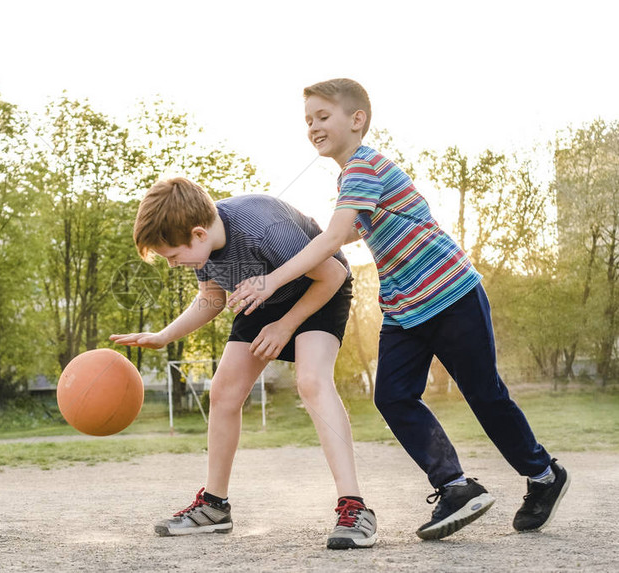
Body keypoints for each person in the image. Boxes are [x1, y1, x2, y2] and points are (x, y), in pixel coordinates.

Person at [227, 78, 569, 540]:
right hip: (404, 308)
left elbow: (333, 239)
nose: (313, 127)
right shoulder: (351, 178)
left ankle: (544, 475)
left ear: (357, 119)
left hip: (449, 292)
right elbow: (347, 232)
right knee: (392, 395)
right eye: (308, 120)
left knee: (483, 392)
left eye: (322, 117)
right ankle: (455, 486)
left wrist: (271, 279)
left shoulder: (363, 166)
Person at [110, 177, 377, 549]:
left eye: (173, 256)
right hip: (261, 296)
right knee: (223, 393)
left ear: (198, 233)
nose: (173, 265)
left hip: (321, 290)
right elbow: (212, 298)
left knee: (312, 382)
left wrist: (286, 326)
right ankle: (214, 507)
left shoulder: (262, 226)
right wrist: (164, 336)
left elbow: (333, 273)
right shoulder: (202, 249)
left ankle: (355, 507)